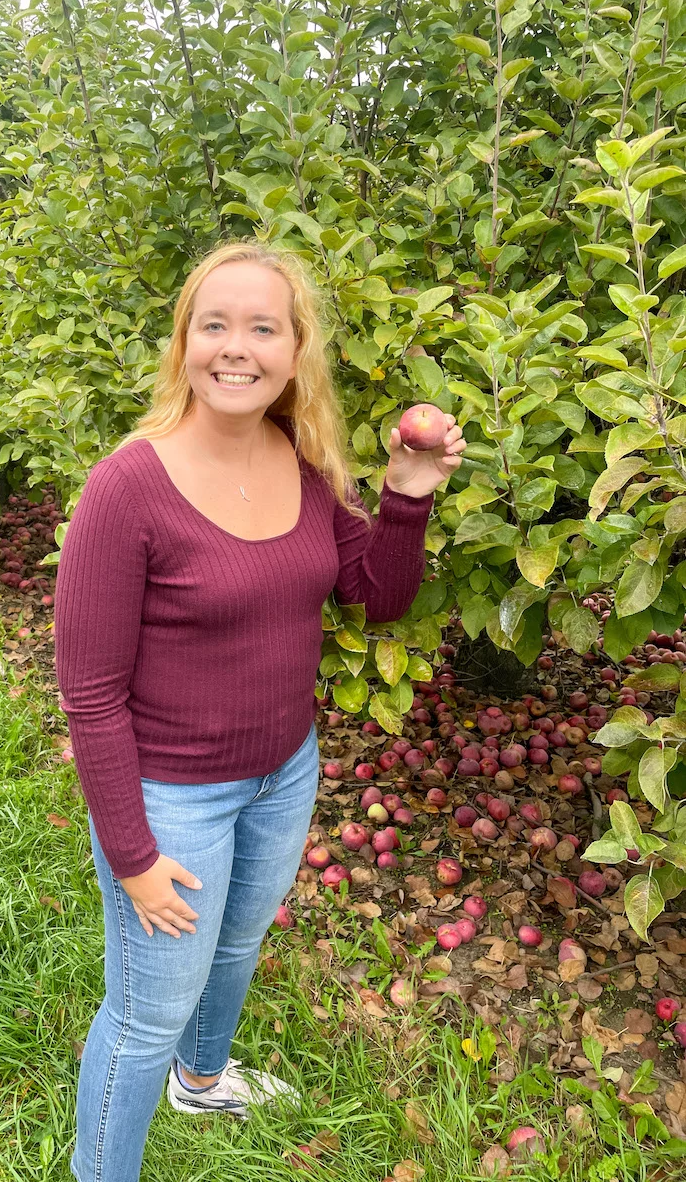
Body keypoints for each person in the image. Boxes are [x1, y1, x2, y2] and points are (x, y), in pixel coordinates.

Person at [53, 238, 466, 1182]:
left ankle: (203, 1081)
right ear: (185, 343)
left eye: (262, 327)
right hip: (173, 798)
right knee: (145, 1012)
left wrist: (407, 495)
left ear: (293, 351)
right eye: (215, 325)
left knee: (236, 945)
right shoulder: (129, 488)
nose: (236, 348)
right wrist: (135, 857)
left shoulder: (302, 459)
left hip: (283, 772)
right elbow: (90, 693)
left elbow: (377, 594)